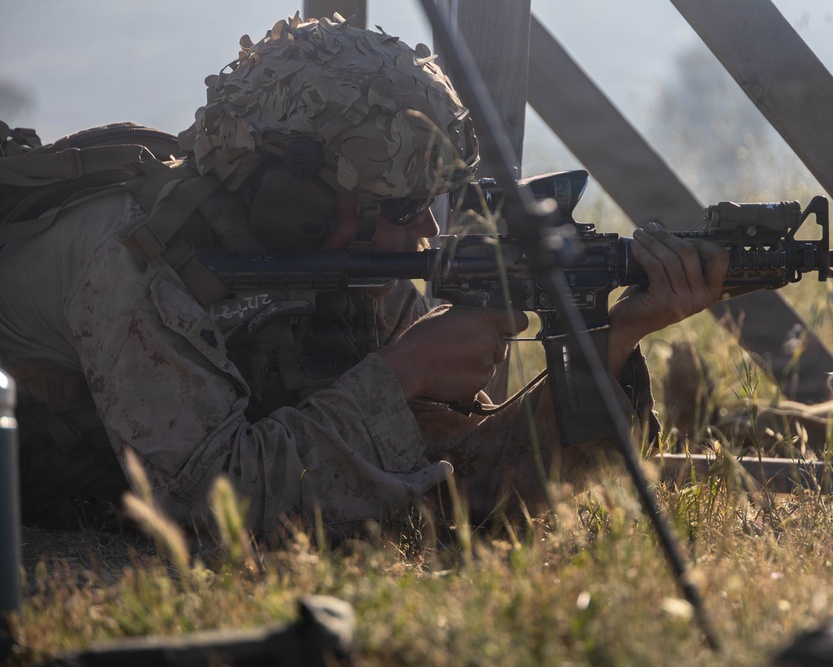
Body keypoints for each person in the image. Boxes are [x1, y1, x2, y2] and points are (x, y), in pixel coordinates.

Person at [0, 14, 729, 537]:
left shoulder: (344, 265)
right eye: (404, 207)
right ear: (297, 201)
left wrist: (618, 335)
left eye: (435, 204)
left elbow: (455, 482)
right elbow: (205, 506)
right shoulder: (131, 258)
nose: (430, 233)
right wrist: (401, 371)